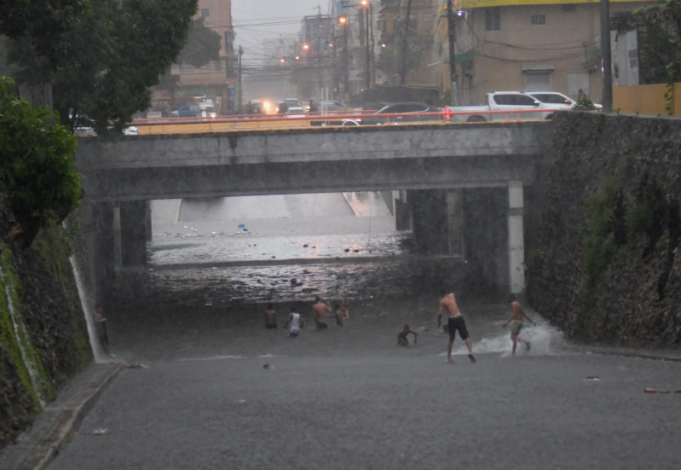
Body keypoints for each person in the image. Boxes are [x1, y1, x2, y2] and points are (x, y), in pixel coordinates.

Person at [437, 289, 476, 363]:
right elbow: (453, 293)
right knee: (466, 336)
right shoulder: (452, 296)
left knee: (451, 338)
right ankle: (470, 352)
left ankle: (449, 358)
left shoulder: (442, 301)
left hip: (452, 320)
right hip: (459, 317)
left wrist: (439, 321)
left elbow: (440, 314)